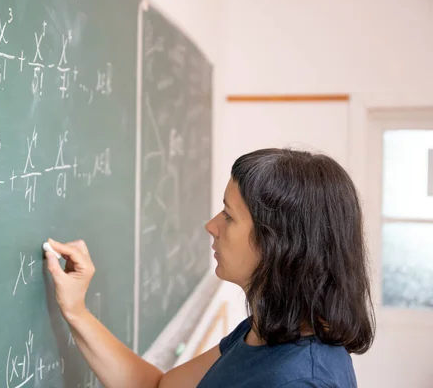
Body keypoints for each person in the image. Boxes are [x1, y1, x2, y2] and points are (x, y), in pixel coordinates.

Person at [43, 148, 376, 388]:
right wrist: (76, 310)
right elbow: (158, 387)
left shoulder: (302, 379)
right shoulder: (263, 333)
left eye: (229, 216)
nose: (211, 226)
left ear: (277, 244)